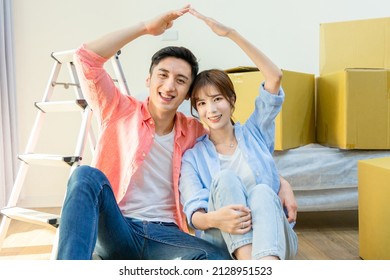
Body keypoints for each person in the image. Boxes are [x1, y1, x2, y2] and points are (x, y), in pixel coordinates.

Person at [56, 5, 231, 260]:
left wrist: (279, 183)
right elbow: (86, 58)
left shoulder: (195, 130)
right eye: (163, 75)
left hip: (167, 236)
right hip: (119, 227)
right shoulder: (118, 109)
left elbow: (237, 146)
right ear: (148, 80)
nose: (170, 86)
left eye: (181, 80)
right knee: (85, 176)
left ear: (188, 93)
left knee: (218, 260)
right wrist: (146, 28)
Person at [179, 8, 298, 260]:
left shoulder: (255, 131)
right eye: (201, 103)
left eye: (217, 99)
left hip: (274, 236)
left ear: (232, 101)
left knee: (263, 192)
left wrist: (231, 34)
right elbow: (194, 214)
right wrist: (216, 218)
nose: (210, 109)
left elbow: (274, 77)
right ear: (196, 109)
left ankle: (257, 265)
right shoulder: (193, 156)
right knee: (225, 180)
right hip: (222, 240)